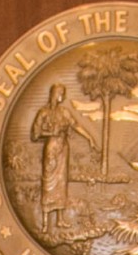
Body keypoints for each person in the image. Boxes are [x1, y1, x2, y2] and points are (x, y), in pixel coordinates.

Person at [30, 83, 96, 235]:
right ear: (55, 94)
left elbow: (76, 125)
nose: (63, 97)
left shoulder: (64, 112)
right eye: (61, 93)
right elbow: (35, 134)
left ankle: (60, 219)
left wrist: (89, 138)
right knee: (48, 183)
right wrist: (51, 132)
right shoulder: (43, 113)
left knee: (61, 182)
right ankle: (45, 223)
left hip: (63, 149)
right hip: (51, 150)